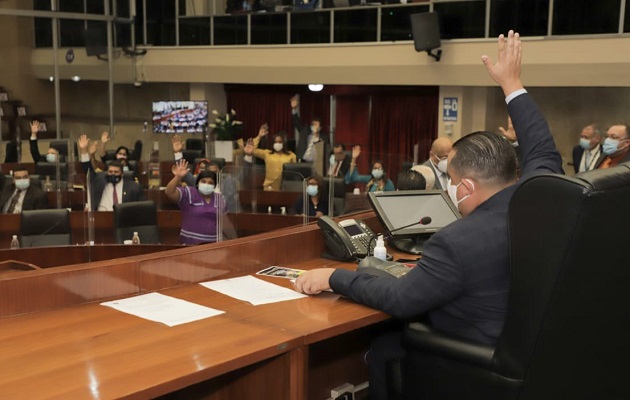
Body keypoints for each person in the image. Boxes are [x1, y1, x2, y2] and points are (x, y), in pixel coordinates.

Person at [295, 30, 563, 399]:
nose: (448, 188)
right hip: (538, 357)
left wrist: (334, 277)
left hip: (477, 361)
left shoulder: (457, 241)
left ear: (466, 187)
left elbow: (401, 300)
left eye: (450, 180)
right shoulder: (546, 199)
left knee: (388, 343)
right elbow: (544, 150)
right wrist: (512, 84)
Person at [166, 159, 235, 245]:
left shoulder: (219, 198)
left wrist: (235, 241)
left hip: (213, 246)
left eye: (210, 183)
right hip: (190, 245)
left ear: (214, 186)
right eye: (203, 181)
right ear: (198, 183)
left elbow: (226, 223)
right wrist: (178, 177)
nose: (207, 184)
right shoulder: (189, 193)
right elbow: (169, 192)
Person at [78, 135, 144, 211]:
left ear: (122, 174)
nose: (112, 174)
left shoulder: (134, 187)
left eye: (116, 172)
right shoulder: (99, 181)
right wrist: (84, 151)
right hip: (101, 218)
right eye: (110, 172)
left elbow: (141, 209)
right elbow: (88, 170)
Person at [243, 124, 297, 191]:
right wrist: (259, 136)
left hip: (286, 187)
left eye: (280, 142)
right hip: (269, 187)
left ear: (284, 143)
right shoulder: (267, 153)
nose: (277, 144)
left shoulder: (291, 155)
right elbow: (252, 150)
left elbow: (295, 171)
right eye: (275, 142)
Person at [291, 95, 330, 164]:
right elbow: (297, 122)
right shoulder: (305, 131)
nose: (314, 126)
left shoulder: (324, 137)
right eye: (312, 124)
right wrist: (294, 109)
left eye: (316, 124)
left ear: (320, 127)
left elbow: (326, 151)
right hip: (302, 161)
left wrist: (316, 135)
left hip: (317, 162)